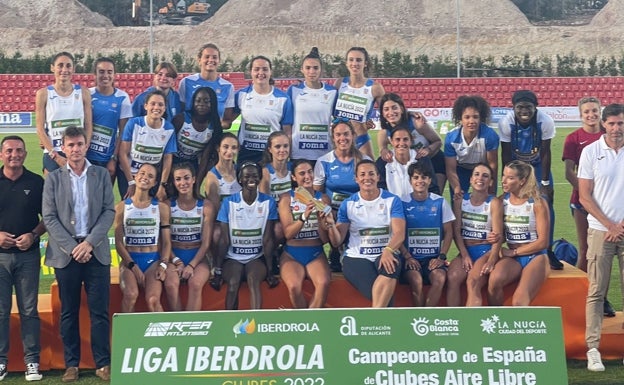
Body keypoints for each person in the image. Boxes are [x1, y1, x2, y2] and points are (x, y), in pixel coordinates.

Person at [42, 126, 114, 382]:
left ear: (86, 145)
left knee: (99, 312)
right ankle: (71, 364)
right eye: (70, 145)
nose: (75, 149)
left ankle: (103, 363)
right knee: (69, 311)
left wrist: (90, 244)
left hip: (95, 252)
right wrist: (73, 247)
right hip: (66, 253)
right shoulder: (53, 177)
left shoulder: (101, 175)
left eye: (79, 144)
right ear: (63, 146)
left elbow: (109, 212)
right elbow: (49, 218)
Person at [577, 103, 624, 372]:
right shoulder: (591, 152)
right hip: (599, 229)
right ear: (604, 124)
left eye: (621, 123)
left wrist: (621, 225)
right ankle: (593, 348)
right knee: (596, 290)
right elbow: (585, 195)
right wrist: (609, 225)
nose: (617, 129)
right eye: (613, 123)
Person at [325, 160, 405, 307]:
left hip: (386, 252)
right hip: (357, 257)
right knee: (386, 301)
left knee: (391, 266)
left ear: (378, 177)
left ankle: (374, 321)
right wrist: (331, 225)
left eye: (371, 174)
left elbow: (399, 233)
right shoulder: (348, 204)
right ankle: (381, 319)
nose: (367, 178)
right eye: (362, 174)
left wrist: (388, 250)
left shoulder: (392, 200)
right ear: (356, 179)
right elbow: (337, 241)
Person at [562, 96, 615, 317]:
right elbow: (568, 172)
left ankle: (601, 297)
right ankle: (585, 295)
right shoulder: (574, 139)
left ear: (600, 113)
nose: (591, 115)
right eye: (587, 112)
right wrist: (588, 194)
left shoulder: (611, 137)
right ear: (580, 114)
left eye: (594, 111)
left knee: (607, 254)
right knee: (586, 251)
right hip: (583, 203)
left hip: (609, 206)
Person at [0, 135, 45, 382]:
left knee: (29, 310)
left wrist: (33, 234)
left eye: (19, 150)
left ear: (25, 154)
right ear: (1, 154)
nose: (14, 155)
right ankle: (1, 361)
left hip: (28, 256)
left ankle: (32, 362)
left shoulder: (36, 182)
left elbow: (48, 217)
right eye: (9, 151)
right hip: (0, 258)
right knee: (0, 311)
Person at [498, 90, 559, 269]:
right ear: (513, 108)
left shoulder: (545, 121)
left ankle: (547, 249)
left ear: (536, 107)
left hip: (538, 166)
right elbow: (506, 154)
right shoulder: (506, 122)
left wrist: (545, 182)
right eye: (520, 107)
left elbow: (546, 152)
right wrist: (508, 180)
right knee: (510, 204)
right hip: (516, 166)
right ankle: (508, 247)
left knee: (545, 203)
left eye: (528, 107)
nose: (524, 111)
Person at [216, 162, 279, 309]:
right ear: (240, 179)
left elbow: (268, 239)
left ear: (259, 179)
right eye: (247, 176)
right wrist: (217, 271)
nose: (251, 179)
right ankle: (230, 324)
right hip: (233, 258)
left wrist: (271, 271)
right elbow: (224, 240)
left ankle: (255, 324)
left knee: (253, 280)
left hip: (256, 258)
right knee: (233, 281)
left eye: (255, 176)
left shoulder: (268, 202)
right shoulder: (228, 202)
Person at [487, 160, 551, 308]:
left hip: (536, 256)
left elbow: (543, 242)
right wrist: (495, 237)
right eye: (503, 176)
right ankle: (496, 323)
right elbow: (501, 232)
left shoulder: (537, 203)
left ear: (522, 181)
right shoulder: (502, 201)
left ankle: (518, 330)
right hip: (513, 257)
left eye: (510, 178)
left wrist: (514, 252)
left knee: (518, 301)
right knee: (494, 281)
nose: (503, 180)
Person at [114, 163, 171, 313]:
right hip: (130, 260)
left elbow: (166, 242)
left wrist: (163, 265)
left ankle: (164, 336)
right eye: (142, 173)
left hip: (153, 260)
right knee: (131, 295)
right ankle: (125, 335)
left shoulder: (161, 208)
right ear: (135, 176)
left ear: (154, 183)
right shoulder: (121, 208)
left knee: (153, 300)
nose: (145, 177)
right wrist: (132, 266)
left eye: (150, 176)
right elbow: (119, 242)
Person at [314, 118, 367, 271]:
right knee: (329, 215)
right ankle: (335, 252)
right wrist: (326, 210)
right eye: (338, 135)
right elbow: (317, 193)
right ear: (333, 138)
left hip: (358, 210)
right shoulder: (324, 161)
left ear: (353, 136)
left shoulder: (363, 160)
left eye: (346, 134)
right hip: (333, 211)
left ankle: (354, 252)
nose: (342, 138)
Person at [446, 163, 503, 307]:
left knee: (472, 281)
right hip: (466, 250)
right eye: (476, 174)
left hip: (485, 251)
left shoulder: (494, 202)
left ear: (490, 182)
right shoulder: (461, 200)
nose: (480, 178)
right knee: (452, 277)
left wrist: (492, 259)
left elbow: (498, 236)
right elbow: (456, 230)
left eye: (485, 176)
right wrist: (464, 254)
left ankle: (471, 324)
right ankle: (454, 322)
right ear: (471, 179)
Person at [400, 162, 455, 307]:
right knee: (416, 280)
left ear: (430, 180)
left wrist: (441, 257)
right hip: (410, 259)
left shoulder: (440, 202)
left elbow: (449, 231)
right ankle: (420, 319)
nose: (420, 181)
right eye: (416, 177)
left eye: (424, 177)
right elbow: (396, 234)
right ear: (410, 181)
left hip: (433, 259)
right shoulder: (401, 202)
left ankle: (428, 317)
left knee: (440, 278)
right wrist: (408, 257)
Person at [279, 160, 332, 308]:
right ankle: (304, 323)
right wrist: (304, 217)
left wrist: (321, 221)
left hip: (315, 252)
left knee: (323, 283)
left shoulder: (322, 199)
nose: (307, 176)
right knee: (294, 286)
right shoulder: (286, 199)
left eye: (310, 172)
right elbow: (288, 233)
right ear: (294, 177)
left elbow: (325, 240)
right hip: (292, 253)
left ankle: (311, 323)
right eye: (302, 173)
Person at [164, 162, 214, 311]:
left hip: (197, 257)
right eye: (178, 179)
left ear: (193, 179)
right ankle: (177, 326)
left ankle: (192, 331)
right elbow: (164, 241)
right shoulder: (167, 205)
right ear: (174, 182)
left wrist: (191, 265)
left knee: (195, 284)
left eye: (186, 178)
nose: (183, 183)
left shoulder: (206, 206)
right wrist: (176, 260)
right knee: (171, 284)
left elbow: (206, 243)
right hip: (173, 256)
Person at [35, 52, 93, 174]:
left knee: (78, 191)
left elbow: (88, 125)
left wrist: (83, 149)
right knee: (54, 191)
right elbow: (40, 129)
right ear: (52, 67)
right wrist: (55, 155)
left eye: (68, 66)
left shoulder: (83, 92)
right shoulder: (43, 94)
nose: (64, 70)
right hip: (53, 152)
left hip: (77, 151)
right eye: (60, 65)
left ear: (74, 69)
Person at [377, 93, 445, 193]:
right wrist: (384, 151)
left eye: (394, 108)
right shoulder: (384, 133)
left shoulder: (417, 123)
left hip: (434, 160)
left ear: (402, 109)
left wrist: (428, 150)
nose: (391, 112)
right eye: (386, 109)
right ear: (382, 113)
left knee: (435, 195)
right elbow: (382, 150)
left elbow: (438, 141)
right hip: (414, 165)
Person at [233, 56, 293, 164]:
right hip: (246, 152)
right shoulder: (241, 95)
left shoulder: (283, 99)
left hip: (272, 153)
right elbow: (227, 120)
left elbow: (287, 132)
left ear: (270, 72)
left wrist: (286, 155)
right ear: (250, 72)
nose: (261, 72)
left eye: (265, 69)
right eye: (256, 69)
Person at [119, 90, 177, 201]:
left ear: (165, 108)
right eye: (153, 103)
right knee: (129, 207)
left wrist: (162, 185)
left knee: (151, 208)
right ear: (146, 106)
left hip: (152, 177)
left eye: (160, 104)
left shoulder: (169, 128)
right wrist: (131, 182)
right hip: (129, 175)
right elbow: (123, 154)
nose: (156, 107)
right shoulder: (134, 124)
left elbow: (167, 158)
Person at [87, 57, 133, 193]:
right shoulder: (87, 94)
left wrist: (114, 158)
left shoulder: (122, 97)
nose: (105, 75)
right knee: (86, 199)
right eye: (101, 72)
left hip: (108, 158)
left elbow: (123, 132)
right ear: (94, 74)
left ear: (114, 75)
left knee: (104, 198)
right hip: (87, 157)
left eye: (109, 72)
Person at [203, 133, 242, 289]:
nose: (229, 151)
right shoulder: (213, 176)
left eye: (233, 148)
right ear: (218, 149)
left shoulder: (240, 171)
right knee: (217, 233)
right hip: (222, 220)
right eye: (226, 147)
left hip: (242, 218)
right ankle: (216, 263)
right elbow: (216, 209)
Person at [287, 47, 337, 163]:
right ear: (302, 70)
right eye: (308, 68)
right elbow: (287, 125)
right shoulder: (293, 90)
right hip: (298, 153)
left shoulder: (332, 92)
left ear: (321, 70)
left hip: (325, 153)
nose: (312, 71)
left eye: (315, 68)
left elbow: (340, 121)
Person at [333, 47, 384, 159]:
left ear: (365, 63)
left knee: (369, 172)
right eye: (351, 60)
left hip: (360, 139)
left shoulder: (375, 87)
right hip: (340, 140)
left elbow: (387, 111)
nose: (354, 63)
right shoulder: (339, 83)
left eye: (359, 60)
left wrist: (409, 114)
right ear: (346, 63)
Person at [444, 95, 499, 201]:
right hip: (460, 169)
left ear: (481, 118)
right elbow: (451, 169)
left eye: (475, 117)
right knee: (458, 200)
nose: (472, 121)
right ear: (460, 119)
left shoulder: (490, 135)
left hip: (482, 169)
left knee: (487, 201)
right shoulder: (451, 138)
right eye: (467, 117)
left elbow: (492, 165)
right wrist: (456, 187)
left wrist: (491, 185)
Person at [171, 86, 223, 185]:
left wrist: (197, 185)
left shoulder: (214, 127)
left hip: (193, 163)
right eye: (198, 101)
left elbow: (205, 157)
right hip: (173, 160)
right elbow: (167, 148)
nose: (201, 104)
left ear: (212, 104)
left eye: (206, 101)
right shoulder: (180, 119)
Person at [178, 44, 235, 129]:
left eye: (214, 57)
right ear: (199, 60)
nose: (211, 60)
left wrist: (213, 125)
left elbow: (227, 121)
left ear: (219, 60)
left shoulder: (227, 87)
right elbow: (180, 113)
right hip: (188, 137)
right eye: (207, 57)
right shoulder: (186, 82)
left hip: (212, 138)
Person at [375, 125, 439, 200]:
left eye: (405, 139)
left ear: (411, 141)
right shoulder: (383, 161)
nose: (401, 143)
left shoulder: (422, 160)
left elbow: (432, 187)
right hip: (392, 208)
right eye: (397, 140)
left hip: (417, 207)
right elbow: (378, 188)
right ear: (391, 141)